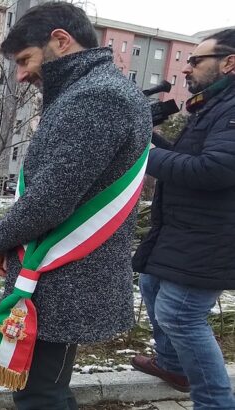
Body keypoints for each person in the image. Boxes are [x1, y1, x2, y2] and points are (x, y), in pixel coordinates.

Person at [0, 3, 151, 408]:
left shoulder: (96, 97)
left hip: (64, 272)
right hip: (66, 271)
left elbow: (52, 197)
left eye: (25, 59)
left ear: (60, 40)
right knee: (43, 389)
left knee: (41, 394)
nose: (21, 74)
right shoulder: (94, 90)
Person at [130, 29, 235, 409]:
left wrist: (139, 153)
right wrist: (150, 139)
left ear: (229, 62)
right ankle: (174, 367)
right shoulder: (213, 106)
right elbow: (188, 158)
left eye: (196, 60)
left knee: (180, 314)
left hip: (213, 235)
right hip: (185, 228)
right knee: (153, 287)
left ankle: (215, 403)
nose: (187, 68)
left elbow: (215, 169)